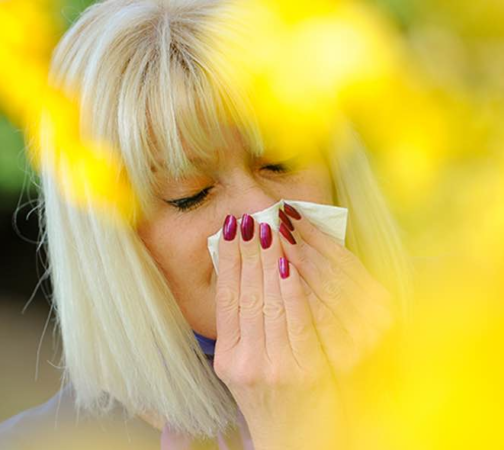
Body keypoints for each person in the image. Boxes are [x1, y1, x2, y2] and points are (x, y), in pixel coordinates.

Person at [0, 0, 413, 448]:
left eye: (281, 162)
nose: (260, 214)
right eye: (190, 194)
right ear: (112, 241)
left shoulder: (477, 367)